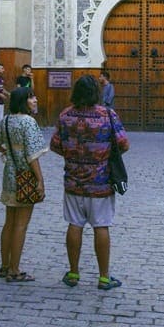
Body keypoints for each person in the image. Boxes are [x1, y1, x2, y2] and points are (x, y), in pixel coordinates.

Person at [50, 75, 129, 291]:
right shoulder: (107, 115)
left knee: (74, 224)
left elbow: (55, 145)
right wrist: (102, 156)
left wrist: (74, 156)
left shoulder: (66, 115)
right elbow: (123, 143)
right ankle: (104, 277)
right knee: (101, 225)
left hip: (73, 182)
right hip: (101, 183)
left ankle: (74, 273)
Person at [0, 87, 47, 282]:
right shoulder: (29, 122)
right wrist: (40, 180)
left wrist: (6, 150)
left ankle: (4, 265)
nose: (35, 100)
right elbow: (32, 155)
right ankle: (15, 269)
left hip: (10, 174)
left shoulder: (7, 120)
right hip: (26, 175)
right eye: (31, 98)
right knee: (21, 225)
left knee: (9, 223)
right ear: (23, 101)